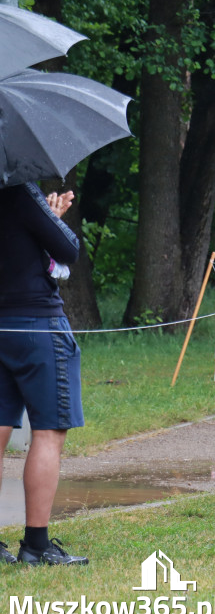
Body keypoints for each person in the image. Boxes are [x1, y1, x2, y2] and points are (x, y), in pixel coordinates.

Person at [0, 182, 89, 565]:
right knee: (49, 432)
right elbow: (68, 248)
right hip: (36, 323)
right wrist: (50, 218)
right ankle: (36, 545)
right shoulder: (20, 192)